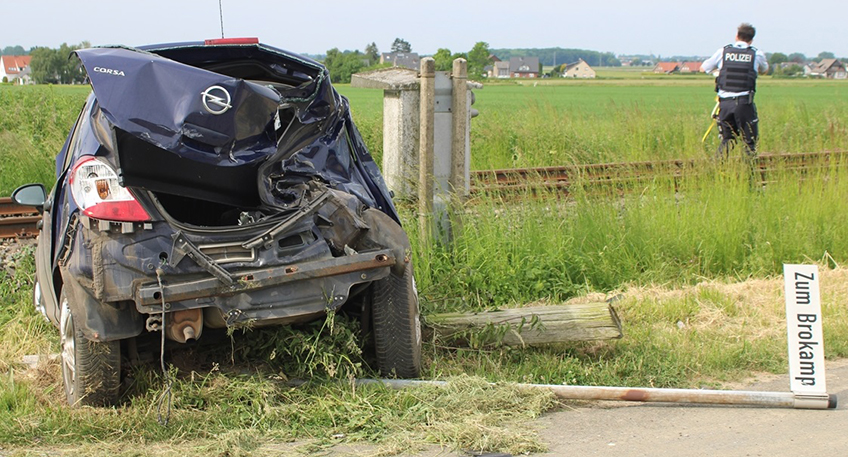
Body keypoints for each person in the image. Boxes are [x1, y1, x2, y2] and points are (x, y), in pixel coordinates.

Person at [702, 23, 768, 158]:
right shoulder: (756, 54)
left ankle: (716, 168)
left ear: (736, 36)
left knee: (728, 140)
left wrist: (719, 72)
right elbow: (765, 70)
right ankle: (749, 174)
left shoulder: (723, 52)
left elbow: (704, 68)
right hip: (744, 103)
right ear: (751, 39)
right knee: (749, 142)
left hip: (724, 104)